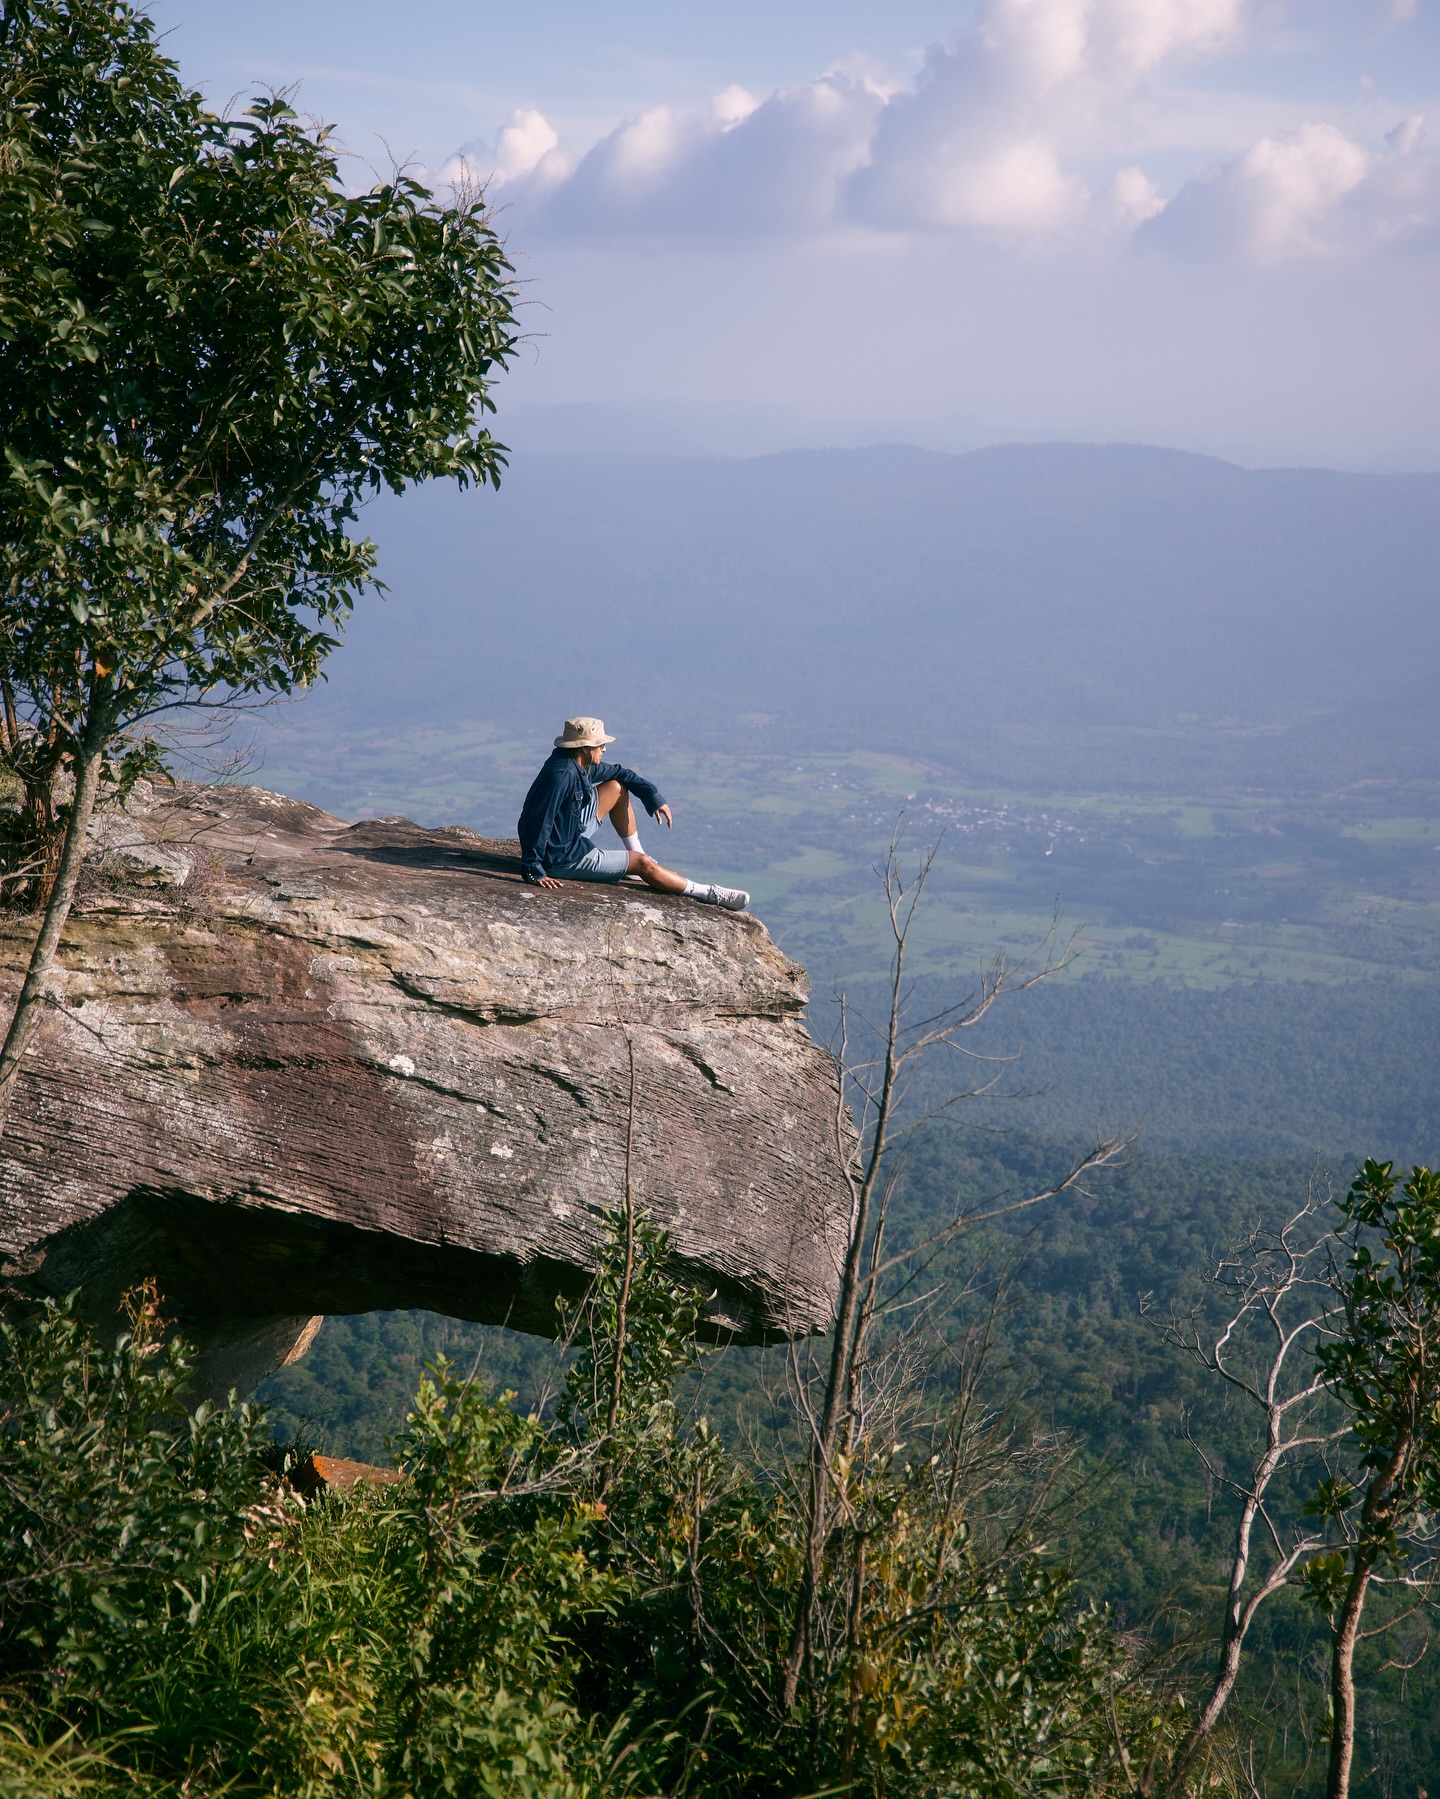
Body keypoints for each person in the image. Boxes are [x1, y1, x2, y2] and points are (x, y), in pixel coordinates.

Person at [517, 716, 750, 911]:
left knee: (617, 787)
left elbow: (621, 772)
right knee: (644, 863)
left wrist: (653, 797)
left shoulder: (579, 764)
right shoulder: (562, 775)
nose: (604, 749)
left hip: (571, 830)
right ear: (585, 748)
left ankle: (635, 854)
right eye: (600, 745)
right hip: (563, 857)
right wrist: (534, 869)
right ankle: (707, 893)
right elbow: (538, 820)